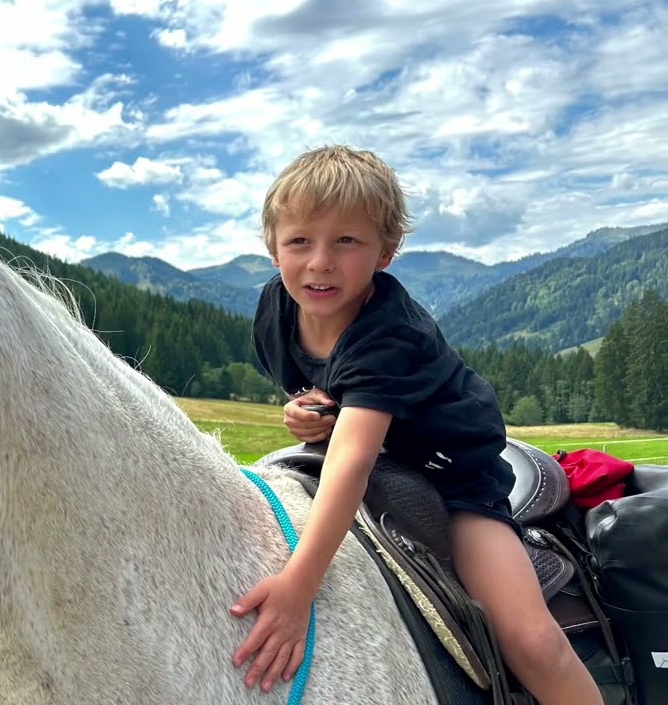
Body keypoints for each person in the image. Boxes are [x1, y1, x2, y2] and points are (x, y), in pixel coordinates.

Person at [228, 145, 601, 704]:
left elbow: (352, 460)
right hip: (377, 452)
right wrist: (309, 410)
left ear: (387, 252)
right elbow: (323, 385)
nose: (320, 262)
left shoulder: (390, 335)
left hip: (454, 479)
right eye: (300, 240)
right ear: (272, 246)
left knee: (530, 641)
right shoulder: (276, 307)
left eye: (347, 241)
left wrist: (299, 585)